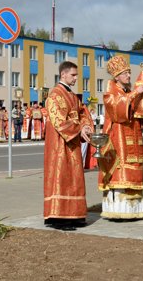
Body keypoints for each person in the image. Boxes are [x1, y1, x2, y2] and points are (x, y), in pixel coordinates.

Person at [98, 56, 143, 220]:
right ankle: (118, 209)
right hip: (118, 136)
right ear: (117, 76)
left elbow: (135, 108)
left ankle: (134, 209)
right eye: (125, 73)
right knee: (121, 168)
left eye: (129, 72)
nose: (128, 76)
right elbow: (118, 112)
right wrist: (135, 93)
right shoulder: (110, 93)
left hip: (133, 132)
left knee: (135, 163)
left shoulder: (127, 91)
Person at [44, 61, 93, 230]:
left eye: (76, 75)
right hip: (60, 145)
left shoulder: (72, 95)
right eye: (73, 75)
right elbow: (59, 121)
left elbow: (83, 112)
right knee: (62, 178)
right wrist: (79, 129)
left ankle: (75, 214)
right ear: (63, 74)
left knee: (74, 178)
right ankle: (58, 217)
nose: (75, 78)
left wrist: (86, 125)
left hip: (73, 143)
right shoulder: (55, 95)